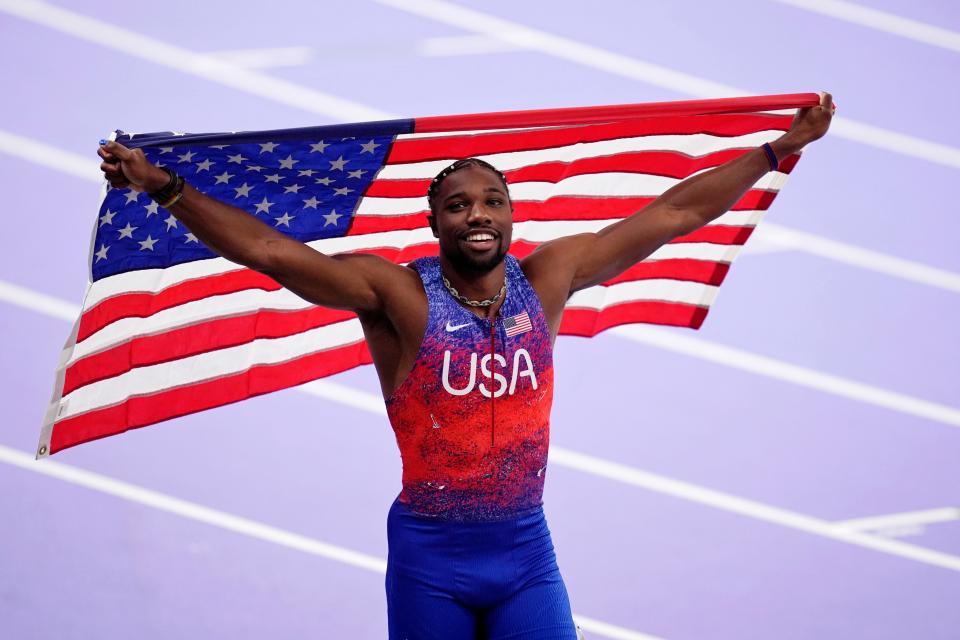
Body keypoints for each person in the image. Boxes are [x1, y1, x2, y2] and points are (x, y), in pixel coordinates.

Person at [98, 93, 834, 639]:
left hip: (524, 552)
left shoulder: (549, 278)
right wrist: (166, 188)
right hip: (431, 560)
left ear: (511, 215)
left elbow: (673, 214)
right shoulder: (397, 295)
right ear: (435, 222)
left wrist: (779, 149)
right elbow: (271, 253)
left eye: (492, 201)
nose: (477, 215)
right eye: (458, 206)